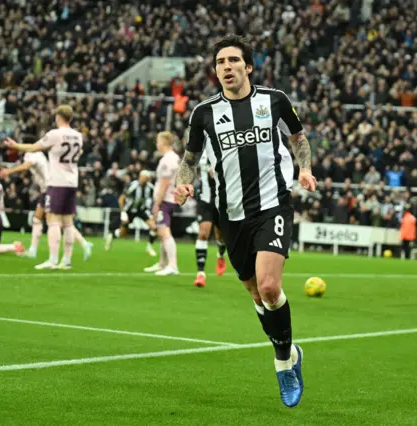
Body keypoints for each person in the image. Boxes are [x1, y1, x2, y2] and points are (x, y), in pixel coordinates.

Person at [173, 34, 317, 407]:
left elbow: (299, 137)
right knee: (256, 294)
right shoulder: (204, 113)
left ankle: (283, 362)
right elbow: (189, 159)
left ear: (248, 66)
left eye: (233, 61)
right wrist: (182, 185)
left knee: (270, 288)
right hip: (230, 216)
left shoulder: (275, 101)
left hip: (272, 207)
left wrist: (305, 168)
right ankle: (291, 350)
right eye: (220, 62)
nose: (226, 67)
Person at [2, 105, 83, 270]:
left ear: (58, 117)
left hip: (56, 182)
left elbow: (34, 147)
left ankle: (53, 260)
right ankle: (66, 260)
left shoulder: (55, 134)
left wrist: (16, 146)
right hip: (72, 181)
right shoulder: (78, 136)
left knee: (53, 221)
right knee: (68, 222)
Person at [0, 135, 93, 261]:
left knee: (57, 222)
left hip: (50, 189)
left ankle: (79, 246)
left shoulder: (32, 154)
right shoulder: (40, 154)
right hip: (47, 189)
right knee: (37, 219)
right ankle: (33, 250)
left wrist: (9, 171)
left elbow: (27, 166)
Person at [144, 131, 180, 276]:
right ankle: (162, 263)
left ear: (163, 142)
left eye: (158, 141)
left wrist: (156, 203)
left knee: (164, 232)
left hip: (165, 199)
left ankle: (172, 265)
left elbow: (164, 183)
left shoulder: (167, 160)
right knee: (161, 231)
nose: (157, 144)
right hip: (171, 198)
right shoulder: (174, 158)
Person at [193, 150, 227, 288]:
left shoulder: (223, 147)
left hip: (222, 200)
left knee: (221, 235)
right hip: (205, 200)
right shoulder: (200, 149)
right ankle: (200, 273)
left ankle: (220, 255)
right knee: (203, 233)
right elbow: (189, 164)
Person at [104, 170, 157, 256]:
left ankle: (149, 247)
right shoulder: (132, 186)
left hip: (142, 210)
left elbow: (154, 200)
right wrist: (123, 212)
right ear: (140, 177)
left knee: (154, 227)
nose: (145, 180)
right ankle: (112, 235)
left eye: (147, 178)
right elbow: (121, 199)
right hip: (129, 210)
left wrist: (154, 211)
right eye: (144, 177)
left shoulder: (150, 188)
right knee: (122, 233)